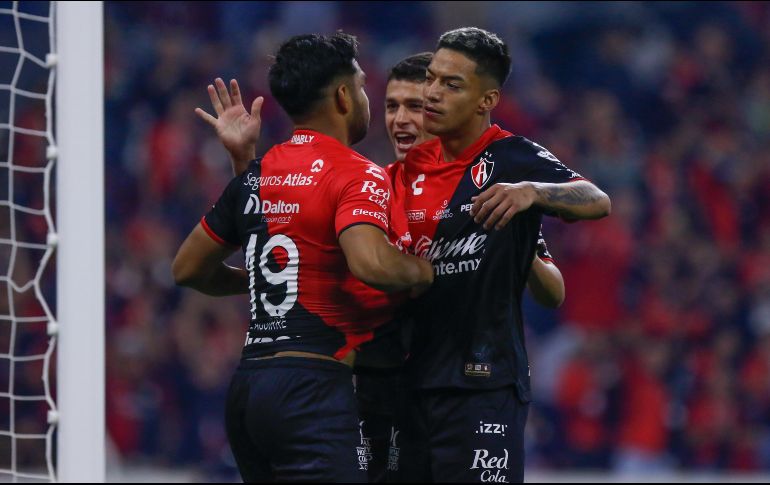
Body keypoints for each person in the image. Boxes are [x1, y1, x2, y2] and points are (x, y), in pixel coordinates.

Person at [198, 46, 568, 483]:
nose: (400, 119)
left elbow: (553, 292)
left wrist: (512, 245)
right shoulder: (372, 187)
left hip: (467, 387)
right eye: (392, 106)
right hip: (383, 389)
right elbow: (286, 250)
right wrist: (244, 163)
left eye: (415, 106)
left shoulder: (483, 191)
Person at [173, 32, 434, 482]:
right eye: (363, 84)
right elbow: (370, 262)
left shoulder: (257, 172)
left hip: (250, 387)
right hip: (313, 388)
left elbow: (188, 269)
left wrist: (261, 276)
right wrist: (428, 270)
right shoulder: (357, 174)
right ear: (343, 96)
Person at [391, 27, 610, 483]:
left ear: (485, 100)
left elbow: (595, 199)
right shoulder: (405, 170)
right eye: (430, 79)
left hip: (483, 382)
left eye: (451, 85)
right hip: (405, 382)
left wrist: (533, 193)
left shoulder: (511, 160)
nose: (432, 93)